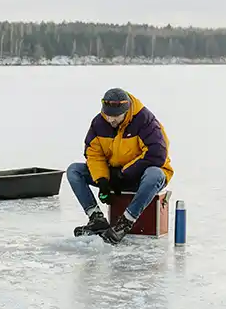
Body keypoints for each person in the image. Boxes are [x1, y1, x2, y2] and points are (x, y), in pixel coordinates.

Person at [66, 87, 174, 244]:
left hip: (142, 176)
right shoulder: (99, 123)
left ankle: (125, 223)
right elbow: (94, 154)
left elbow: (156, 154)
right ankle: (96, 219)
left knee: (154, 175)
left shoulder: (145, 121)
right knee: (74, 170)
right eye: (107, 115)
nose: (110, 120)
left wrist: (123, 173)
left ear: (127, 110)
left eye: (115, 116)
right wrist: (102, 181)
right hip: (116, 175)